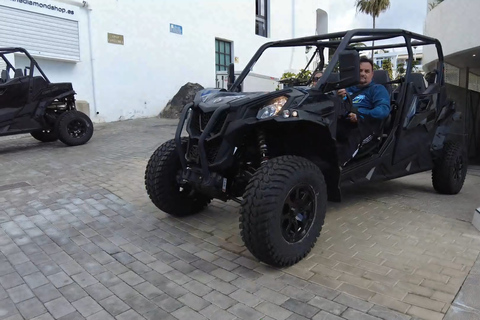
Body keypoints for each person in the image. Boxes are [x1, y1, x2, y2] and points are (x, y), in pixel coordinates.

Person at [336, 56, 390, 165]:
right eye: (360, 71)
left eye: (366, 71)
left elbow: (383, 111)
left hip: (365, 127)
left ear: (372, 74)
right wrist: (338, 98)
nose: (363, 74)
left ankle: (337, 167)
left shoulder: (377, 89)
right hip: (344, 123)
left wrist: (359, 114)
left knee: (350, 139)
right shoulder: (347, 90)